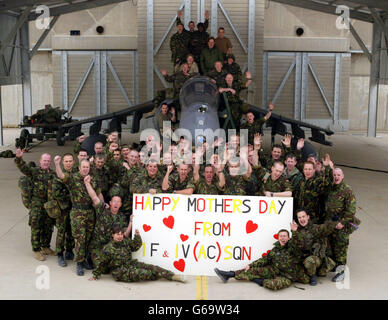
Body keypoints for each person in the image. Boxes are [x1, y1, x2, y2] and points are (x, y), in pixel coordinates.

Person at [214, 229, 310, 291]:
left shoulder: (292, 248)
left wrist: (295, 232)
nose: (283, 237)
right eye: (281, 236)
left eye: (285, 236)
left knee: (273, 285)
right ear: (278, 238)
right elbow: (264, 259)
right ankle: (228, 275)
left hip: (288, 276)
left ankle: (259, 281)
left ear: (288, 238)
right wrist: (251, 265)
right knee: (251, 270)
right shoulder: (274, 250)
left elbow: (298, 244)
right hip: (274, 270)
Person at [54, 156, 102, 276]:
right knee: (80, 238)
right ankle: (79, 263)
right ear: (79, 168)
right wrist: (57, 164)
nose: (85, 169)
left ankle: (85, 259)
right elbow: (61, 176)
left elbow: (98, 194)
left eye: (87, 167)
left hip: (90, 212)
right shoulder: (73, 178)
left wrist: (103, 205)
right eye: (83, 167)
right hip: (77, 212)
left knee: (88, 238)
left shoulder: (93, 179)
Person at [89, 225, 185, 283]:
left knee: (152, 267)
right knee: (143, 273)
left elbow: (135, 246)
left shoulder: (125, 242)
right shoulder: (108, 248)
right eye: (117, 234)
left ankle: (172, 276)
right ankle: (162, 275)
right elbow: (102, 263)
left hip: (130, 264)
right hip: (119, 271)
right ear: (112, 235)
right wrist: (95, 275)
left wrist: (137, 236)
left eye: (121, 234)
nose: (120, 236)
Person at [15, 149, 56, 261]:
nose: (46, 162)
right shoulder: (34, 171)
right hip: (37, 203)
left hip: (49, 204)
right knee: (36, 226)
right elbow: (24, 168)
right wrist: (19, 159)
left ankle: (45, 247)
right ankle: (36, 250)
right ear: (40, 161)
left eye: (48, 161)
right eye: (44, 160)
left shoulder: (53, 174)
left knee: (48, 227)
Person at [84, 175, 130, 268]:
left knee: (114, 266)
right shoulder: (103, 210)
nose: (116, 204)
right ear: (110, 203)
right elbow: (94, 197)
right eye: (114, 201)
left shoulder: (122, 217)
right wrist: (87, 183)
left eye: (118, 202)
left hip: (111, 247)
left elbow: (125, 235)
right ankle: (89, 256)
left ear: (121, 204)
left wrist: (131, 223)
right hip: (98, 246)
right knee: (102, 267)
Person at [324, 168, 360, 282]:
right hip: (331, 224)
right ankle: (335, 267)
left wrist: (342, 223)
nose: (336, 177)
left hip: (341, 225)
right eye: (334, 175)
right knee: (331, 246)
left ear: (342, 176)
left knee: (341, 248)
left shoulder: (347, 190)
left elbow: (351, 210)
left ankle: (342, 272)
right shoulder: (330, 188)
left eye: (338, 175)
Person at [291, 209, 343, 286]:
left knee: (310, 261)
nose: (302, 219)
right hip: (302, 259)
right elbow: (295, 246)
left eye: (303, 216)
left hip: (315, 259)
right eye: (299, 217)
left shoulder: (315, 228)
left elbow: (325, 228)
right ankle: (310, 272)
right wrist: (295, 232)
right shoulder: (296, 230)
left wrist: (333, 222)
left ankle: (313, 275)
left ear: (308, 217)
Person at [294, 154, 334, 224]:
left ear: (314, 170)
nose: (307, 171)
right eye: (306, 169)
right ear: (303, 170)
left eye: (310, 169)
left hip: (313, 219)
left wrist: (327, 167)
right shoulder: (301, 182)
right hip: (300, 218)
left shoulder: (317, 181)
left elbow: (328, 184)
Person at [52, 153, 76, 267]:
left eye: (70, 161)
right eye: (66, 161)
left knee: (71, 231)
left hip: (73, 208)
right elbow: (56, 193)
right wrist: (71, 196)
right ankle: (60, 253)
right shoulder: (59, 175)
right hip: (63, 209)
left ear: (74, 162)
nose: (68, 163)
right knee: (61, 232)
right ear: (63, 163)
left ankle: (69, 250)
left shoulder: (76, 174)